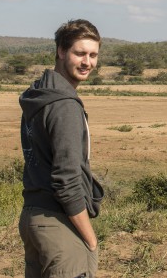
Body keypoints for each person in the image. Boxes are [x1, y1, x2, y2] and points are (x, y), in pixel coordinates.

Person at [18, 19, 104, 278]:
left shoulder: (40, 93)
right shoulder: (65, 105)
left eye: (93, 55)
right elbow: (66, 180)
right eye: (80, 53)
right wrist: (90, 240)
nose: (87, 62)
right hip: (58, 224)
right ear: (61, 51)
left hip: (32, 216)